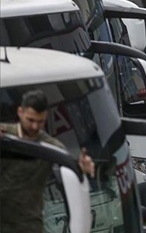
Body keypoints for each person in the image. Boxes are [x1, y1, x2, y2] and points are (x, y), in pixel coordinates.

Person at [0, 90, 95, 233]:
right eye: (30, 120)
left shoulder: (51, 148)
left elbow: (71, 168)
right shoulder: (5, 135)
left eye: (40, 122)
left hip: (28, 224)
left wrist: (82, 168)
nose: (34, 127)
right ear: (20, 112)